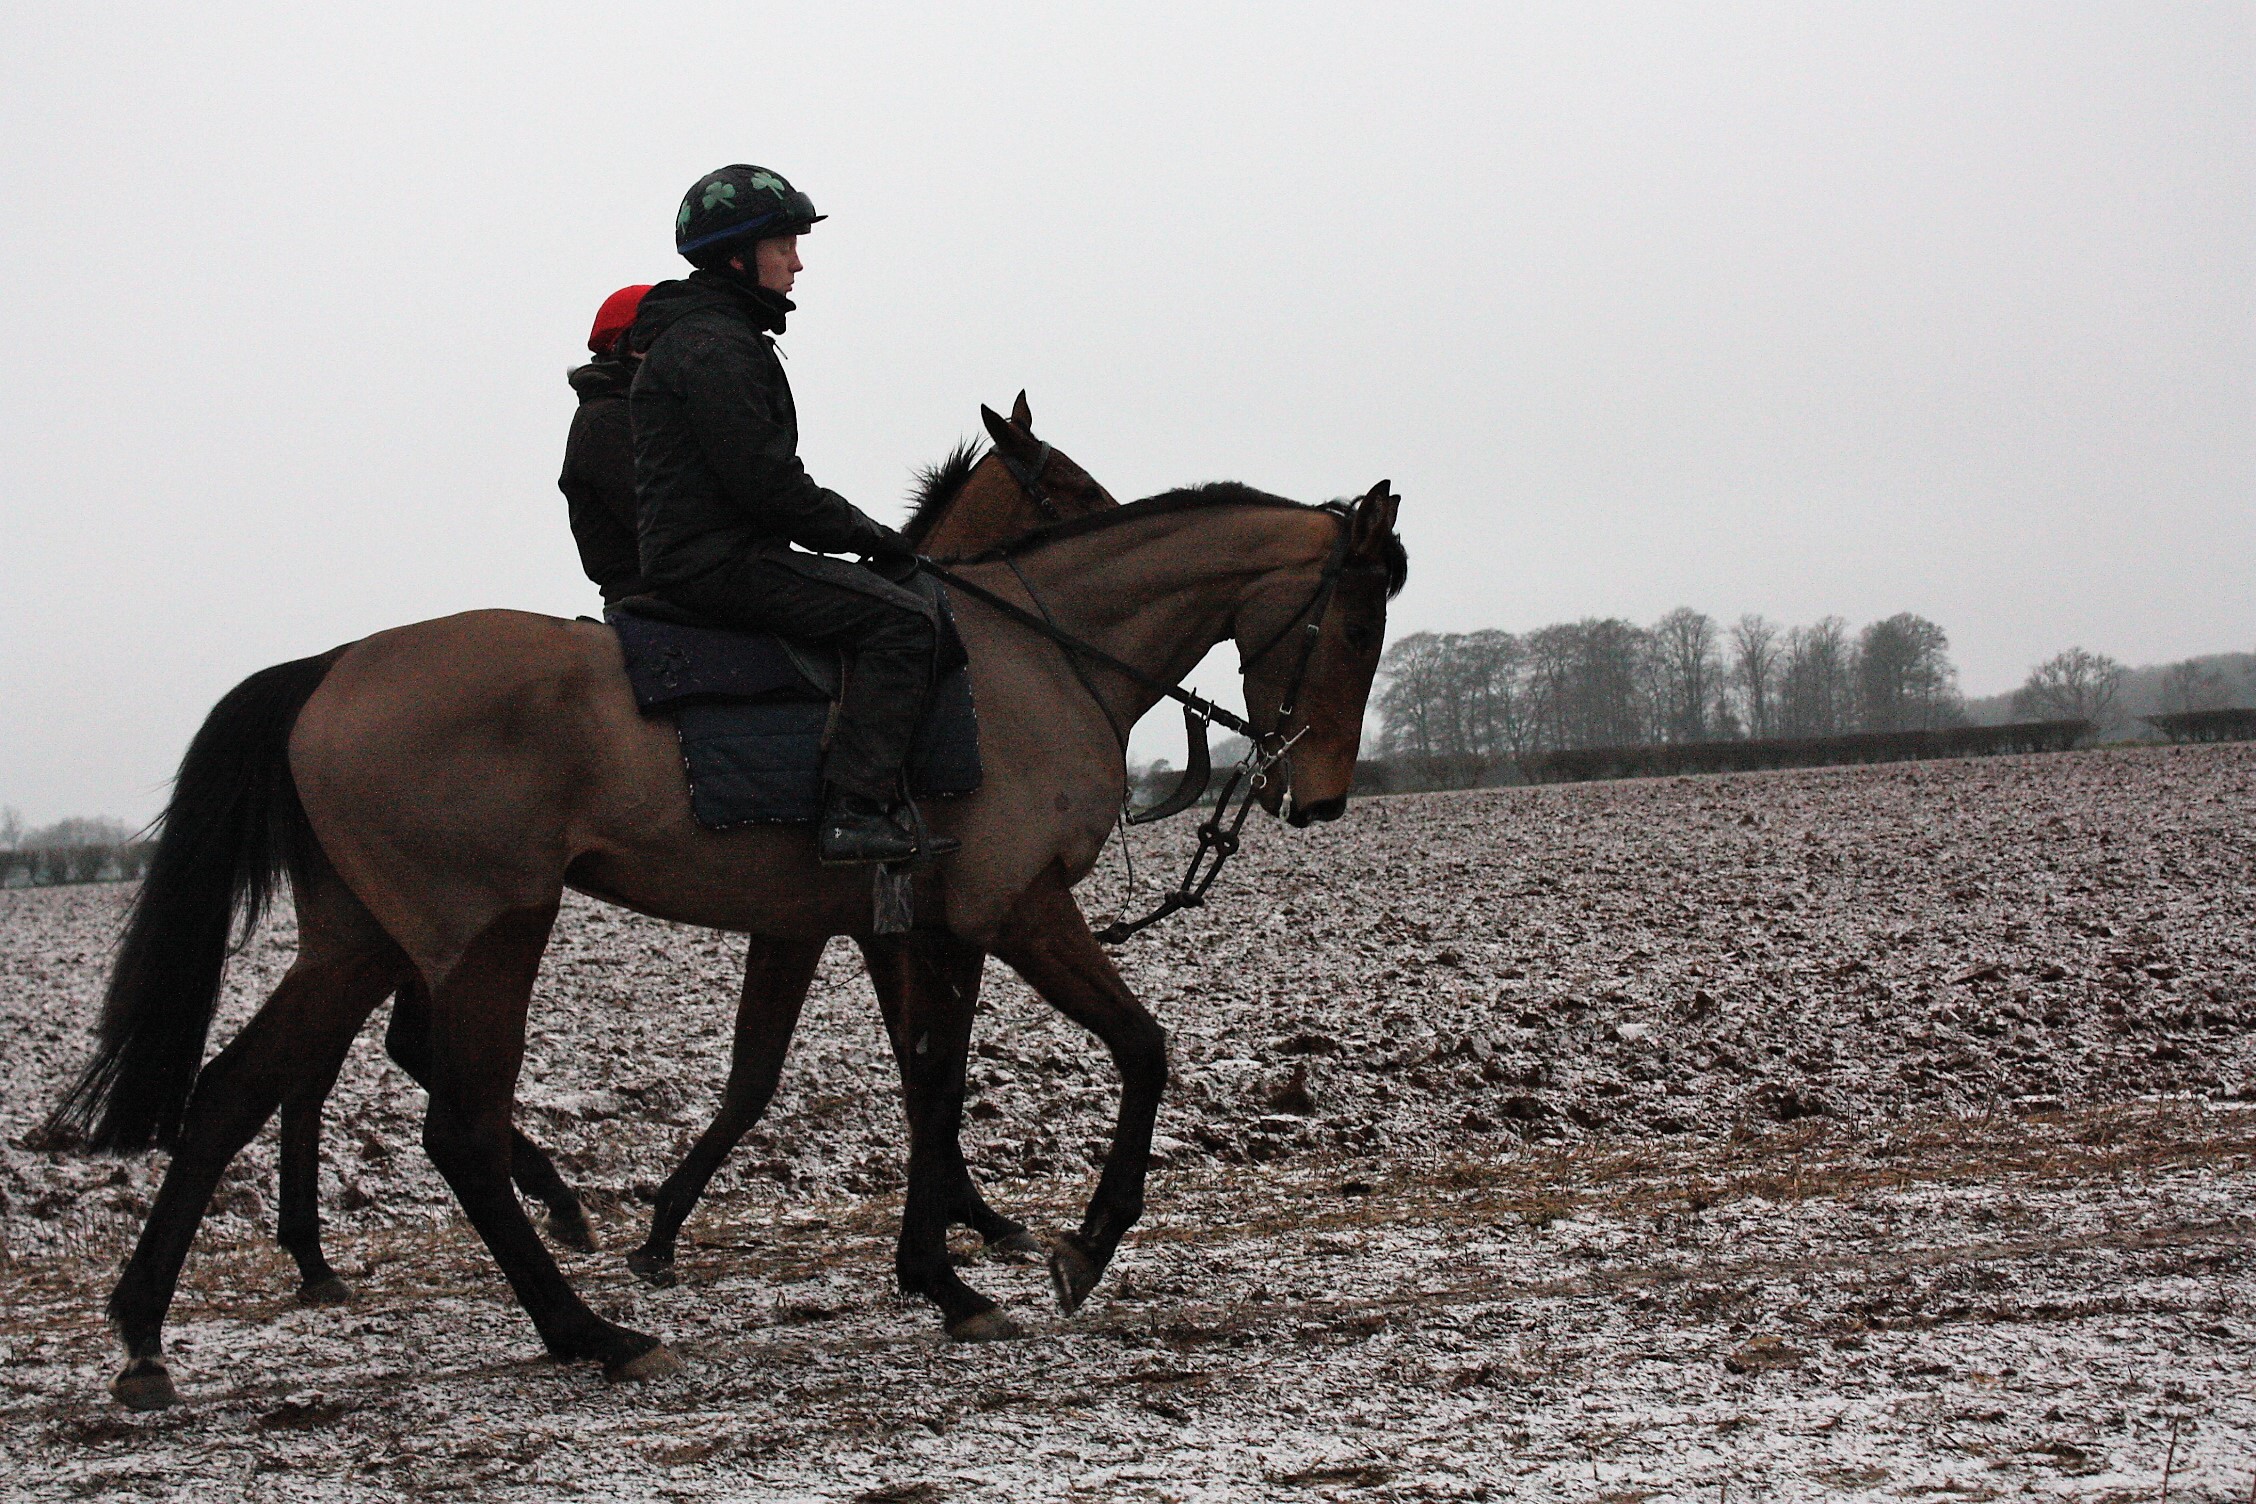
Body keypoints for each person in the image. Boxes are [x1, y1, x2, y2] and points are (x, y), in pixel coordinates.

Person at [628, 164, 956, 866]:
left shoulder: (712, 336)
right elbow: (769, 487)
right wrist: (875, 538)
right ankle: (857, 808)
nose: (798, 262)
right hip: (719, 563)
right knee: (906, 623)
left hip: (710, 552)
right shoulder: (716, 346)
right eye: (785, 245)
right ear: (737, 255)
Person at [560, 284, 652, 602]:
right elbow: (654, 516)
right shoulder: (606, 420)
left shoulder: (649, 412)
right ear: (631, 343)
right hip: (652, 593)